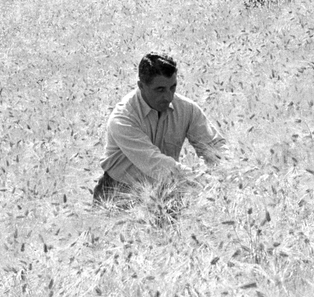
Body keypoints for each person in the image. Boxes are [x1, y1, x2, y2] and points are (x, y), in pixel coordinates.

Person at [93, 53, 226, 205]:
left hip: (166, 192)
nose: (169, 97)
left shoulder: (187, 109)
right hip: (117, 195)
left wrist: (229, 173)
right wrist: (200, 180)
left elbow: (214, 145)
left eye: (173, 87)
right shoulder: (123, 119)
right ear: (141, 86)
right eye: (160, 89)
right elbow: (155, 164)